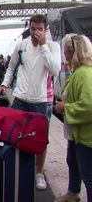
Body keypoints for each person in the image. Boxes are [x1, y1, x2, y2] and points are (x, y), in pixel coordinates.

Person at [0, 14, 61, 190]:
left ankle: (39, 173)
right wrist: (4, 83)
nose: (36, 32)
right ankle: (17, 165)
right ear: (29, 28)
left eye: (40, 29)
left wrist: (43, 47)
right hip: (20, 98)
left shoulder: (53, 47)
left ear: (45, 30)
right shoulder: (21, 45)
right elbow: (11, 67)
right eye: (33, 29)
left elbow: (55, 69)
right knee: (14, 133)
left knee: (40, 139)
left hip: (42, 101)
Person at [55, 34, 92, 202]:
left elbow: (89, 106)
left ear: (72, 52)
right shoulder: (79, 72)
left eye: (66, 51)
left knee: (89, 178)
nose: (64, 54)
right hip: (78, 134)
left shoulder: (84, 75)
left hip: (86, 137)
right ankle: (72, 193)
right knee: (75, 164)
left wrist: (65, 107)